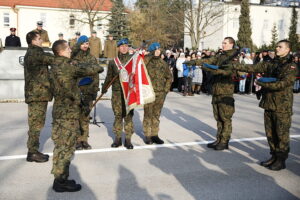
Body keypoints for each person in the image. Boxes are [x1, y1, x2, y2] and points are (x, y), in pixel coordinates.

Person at [232, 40, 298, 171]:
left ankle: (281, 159)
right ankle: (273, 156)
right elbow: (253, 68)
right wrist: (236, 66)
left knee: (281, 134)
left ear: (287, 49)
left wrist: (262, 83)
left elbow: (282, 84)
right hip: (269, 103)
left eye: (280, 47)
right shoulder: (271, 63)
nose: (277, 49)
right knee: (270, 133)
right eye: (276, 46)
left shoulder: (291, 66)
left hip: (281, 106)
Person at [50, 40, 103, 192]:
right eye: (68, 48)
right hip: (68, 113)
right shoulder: (68, 66)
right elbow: (95, 68)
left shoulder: (54, 65)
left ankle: (60, 177)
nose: (70, 50)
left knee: (60, 146)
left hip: (59, 111)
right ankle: (60, 181)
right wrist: (94, 67)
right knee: (66, 147)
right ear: (61, 51)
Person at [186, 37, 239, 150]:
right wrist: (194, 61)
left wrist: (211, 69)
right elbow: (208, 61)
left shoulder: (234, 57)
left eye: (225, 43)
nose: (222, 45)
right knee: (218, 117)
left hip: (225, 92)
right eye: (222, 42)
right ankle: (219, 139)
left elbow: (227, 72)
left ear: (231, 44)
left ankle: (224, 141)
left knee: (225, 118)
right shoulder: (221, 56)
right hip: (216, 90)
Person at [24, 31, 54, 162]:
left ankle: (33, 150)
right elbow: (50, 59)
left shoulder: (34, 52)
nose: (42, 40)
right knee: (36, 124)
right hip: (37, 95)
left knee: (36, 123)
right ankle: (32, 152)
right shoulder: (35, 53)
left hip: (38, 94)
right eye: (39, 39)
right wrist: (63, 52)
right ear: (33, 41)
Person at [71, 35, 104, 150]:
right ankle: (76, 140)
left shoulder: (92, 58)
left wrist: (95, 90)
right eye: (83, 43)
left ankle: (84, 140)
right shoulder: (73, 58)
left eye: (87, 43)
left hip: (88, 92)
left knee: (85, 116)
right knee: (75, 117)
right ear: (79, 44)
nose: (85, 45)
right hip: (76, 92)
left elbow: (96, 76)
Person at [101, 38, 134, 149]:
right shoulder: (113, 62)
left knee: (128, 116)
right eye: (122, 46)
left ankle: (128, 139)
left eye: (126, 46)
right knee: (118, 116)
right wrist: (104, 88)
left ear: (128, 47)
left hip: (129, 93)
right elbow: (109, 76)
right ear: (118, 48)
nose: (124, 48)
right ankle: (118, 138)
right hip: (117, 93)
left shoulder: (133, 60)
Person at [143, 42, 172, 144]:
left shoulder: (163, 63)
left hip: (160, 93)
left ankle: (154, 134)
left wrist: (165, 90)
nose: (158, 51)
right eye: (155, 50)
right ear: (151, 51)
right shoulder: (146, 62)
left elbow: (169, 77)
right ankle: (147, 135)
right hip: (148, 93)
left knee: (156, 114)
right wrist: (149, 55)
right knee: (148, 114)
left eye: (159, 49)